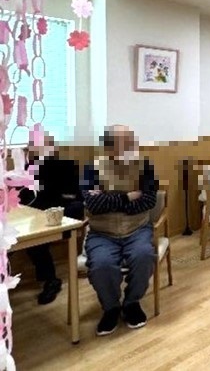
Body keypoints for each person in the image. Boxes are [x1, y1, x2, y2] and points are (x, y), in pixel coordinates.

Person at [81, 125, 158, 336]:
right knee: (101, 264)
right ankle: (111, 307)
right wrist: (128, 197)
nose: (131, 146)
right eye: (124, 143)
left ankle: (132, 302)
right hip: (102, 233)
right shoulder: (91, 169)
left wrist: (110, 201)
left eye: (132, 141)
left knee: (144, 256)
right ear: (109, 147)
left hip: (137, 229)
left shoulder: (145, 167)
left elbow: (148, 201)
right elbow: (93, 205)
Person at [17, 134, 84, 305]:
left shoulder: (65, 165)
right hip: (38, 213)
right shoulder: (29, 167)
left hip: (63, 211)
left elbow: (73, 196)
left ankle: (51, 280)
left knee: (37, 236)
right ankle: (46, 276)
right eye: (31, 146)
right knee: (23, 232)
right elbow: (25, 197)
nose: (31, 150)